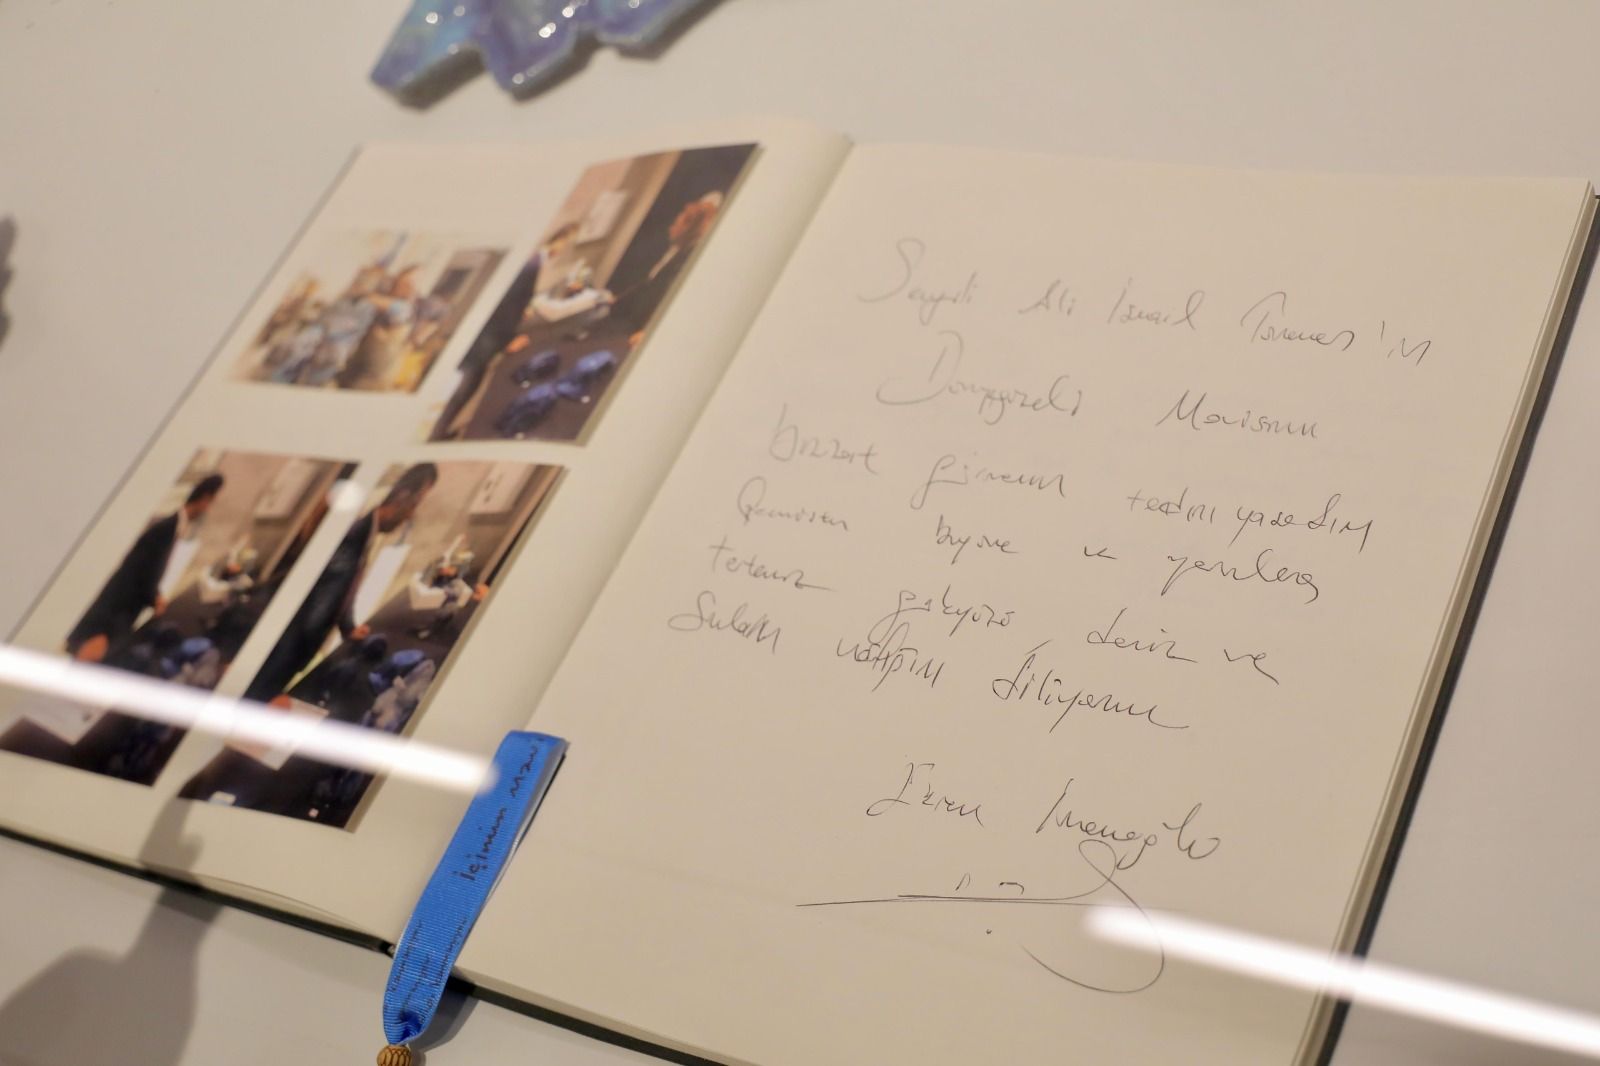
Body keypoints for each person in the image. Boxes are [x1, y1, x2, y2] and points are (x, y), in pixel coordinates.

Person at [242, 463, 438, 703]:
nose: (410, 515)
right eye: (415, 504)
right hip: (289, 648)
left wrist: (348, 627)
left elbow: (341, 588)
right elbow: (317, 613)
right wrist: (314, 647)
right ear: (401, 497)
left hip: (289, 644)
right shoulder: (354, 538)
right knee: (256, 697)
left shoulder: (363, 536)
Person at [431, 222, 578, 439]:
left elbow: (513, 300)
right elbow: (507, 306)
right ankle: (437, 432)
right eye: (566, 246)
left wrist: (523, 309)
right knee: (465, 385)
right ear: (559, 243)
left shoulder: (533, 262)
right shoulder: (532, 264)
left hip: (491, 332)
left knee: (467, 384)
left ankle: (440, 430)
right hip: (492, 334)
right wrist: (509, 338)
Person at [65, 473, 225, 664]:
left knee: (90, 660)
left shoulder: (173, 528)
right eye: (211, 502)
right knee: (86, 660)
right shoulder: (166, 528)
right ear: (205, 499)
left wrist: (155, 596)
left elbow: (148, 571)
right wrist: (154, 598)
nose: (208, 509)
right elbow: (138, 570)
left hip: (122, 609)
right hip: (117, 611)